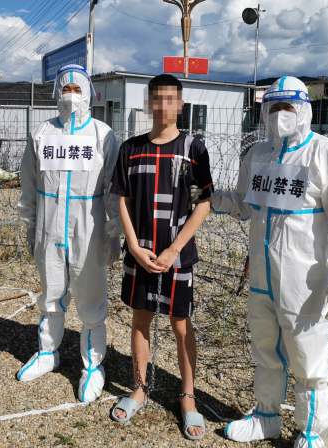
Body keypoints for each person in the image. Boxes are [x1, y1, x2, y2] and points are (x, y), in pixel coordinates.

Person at [210, 76, 328, 447]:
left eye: (288, 107)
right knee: (266, 347)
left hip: (305, 278)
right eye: (273, 107)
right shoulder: (258, 155)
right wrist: (210, 197)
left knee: (308, 355)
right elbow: (244, 204)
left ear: (304, 110)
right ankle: (266, 416)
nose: (280, 115)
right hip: (262, 275)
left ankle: (311, 431)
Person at [108, 74, 214, 441]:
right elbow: (122, 199)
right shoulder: (131, 149)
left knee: (181, 324)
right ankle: (139, 387)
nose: (163, 106)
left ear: (181, 104)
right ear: (148, 103)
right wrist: (134, 246)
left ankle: (188, 396)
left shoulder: (193, 149)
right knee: (140, 319)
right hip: (140, 252)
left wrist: (174, 249)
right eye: (157, 98)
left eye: (171, 99)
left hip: (176, 255)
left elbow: (203, 203)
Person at [17, 64, 122, 404]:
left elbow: (114, 189)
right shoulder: (42, 133)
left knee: (91, 298)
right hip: (49, 228)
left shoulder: (103, 135)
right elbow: (29, 182)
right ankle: (48, 353)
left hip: (88, 231)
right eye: (66, 88)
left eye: (78, 89)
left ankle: (92, 365)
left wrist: (113, 233)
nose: (72, 95)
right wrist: (31, 225)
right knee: (51, 293)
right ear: (56, 93)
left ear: (89, 94)